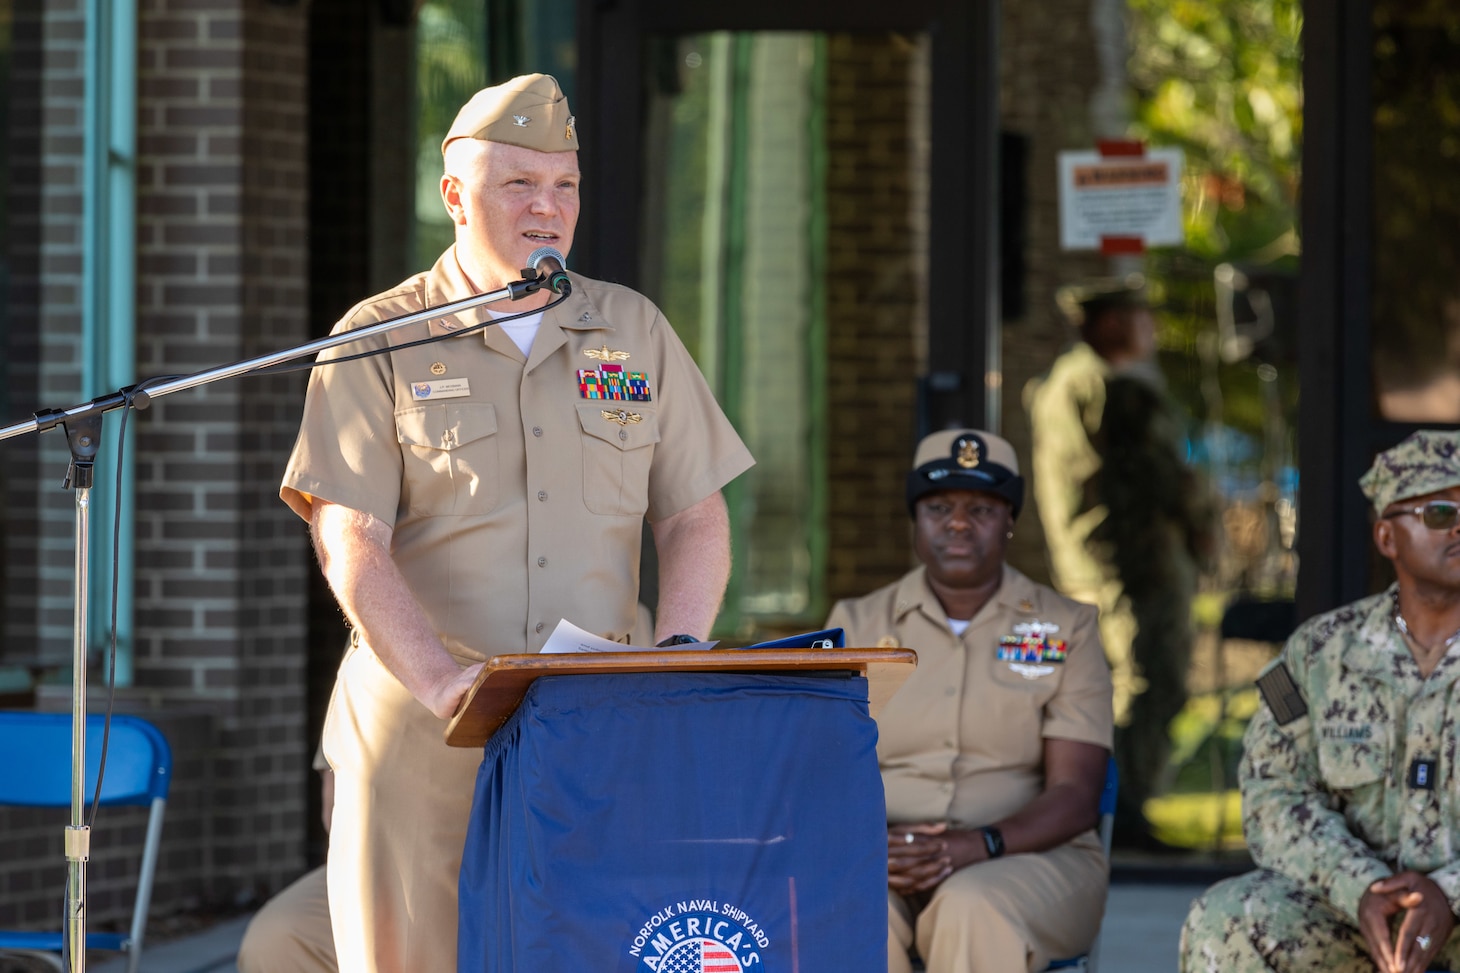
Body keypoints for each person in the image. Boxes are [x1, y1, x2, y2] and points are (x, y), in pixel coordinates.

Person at [278, 74, 754, 973]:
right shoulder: (378, 337)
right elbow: (351, 539)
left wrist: (680, 647)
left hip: (597, 717)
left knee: (600, 951)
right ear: (455, 196)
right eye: (520, 185)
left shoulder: (633, 330)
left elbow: (694, 514)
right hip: (424, 723)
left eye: (564, 185)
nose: (548, 208)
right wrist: (439, 681)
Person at [825, 429, 1114, 973]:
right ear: (916, 519)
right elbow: (822, 769)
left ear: (1010, 521)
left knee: (969, 907)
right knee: (851, 913)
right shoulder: (857, 624)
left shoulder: (1067, 627)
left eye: (981, 508)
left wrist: (977, 845)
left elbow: (1076, 792)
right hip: (878, 858)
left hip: (1029, 859)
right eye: (938, 507)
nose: (958, 523)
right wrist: (874, 846)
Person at [1180, 429, 1460, 973]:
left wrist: (1447, 893)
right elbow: (1274, 792)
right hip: (1357, 915)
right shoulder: (1317, 652)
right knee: (1227, 920)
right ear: (1386, 537)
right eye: (1439, 512)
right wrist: (1360, 886)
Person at [1023, 276, 1211, 842]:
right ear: (1109, 324)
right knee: (1151, 680)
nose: (1150, 329)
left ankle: (1110, 809)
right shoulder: (1113, 390)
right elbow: (1161, 480)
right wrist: (1200, 523)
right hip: (1136, 562)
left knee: (1114, 682)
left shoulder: (1058, 384)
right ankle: (1123, 812)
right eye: (1139, 317)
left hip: (1090, 563)